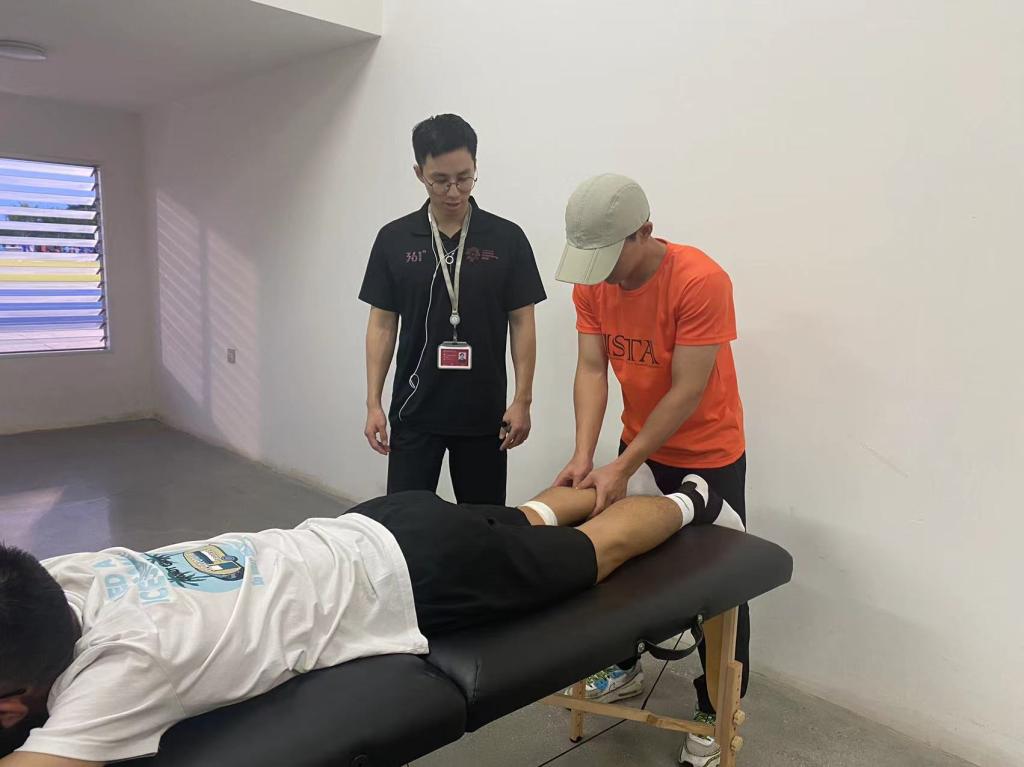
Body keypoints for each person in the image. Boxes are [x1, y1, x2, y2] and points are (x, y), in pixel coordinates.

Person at [0, 474, 743, 766]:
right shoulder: (65, 575)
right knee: (520, 519)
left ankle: (697, 500)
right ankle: (589, 497)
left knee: (598, 549)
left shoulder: (121, 670)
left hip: (420, 576)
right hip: (368, 522)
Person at [553, 173, 748, 766]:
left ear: (645, 231)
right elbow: (592, 369)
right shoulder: (594, 284)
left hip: (708, 453)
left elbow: (687, 389)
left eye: (611, 257)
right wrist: (586, 457)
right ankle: (624, 665)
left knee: (720, 586)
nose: (602, 273)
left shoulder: (699, 279)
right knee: (621, 560)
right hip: (637, 445)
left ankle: (714, 708)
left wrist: (622, 465)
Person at [359, 114, 546, 505]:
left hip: (484, 415)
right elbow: (382, 325)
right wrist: (373, 402)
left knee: (484, 524)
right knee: (408, 523)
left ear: (475, 166)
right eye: (440, 180)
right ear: (419, 173)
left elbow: (522, 322)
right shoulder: (394, 239)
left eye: (464, 178)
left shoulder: (507, 239)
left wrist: (523, 400)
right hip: (413, 410)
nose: (454, 191)